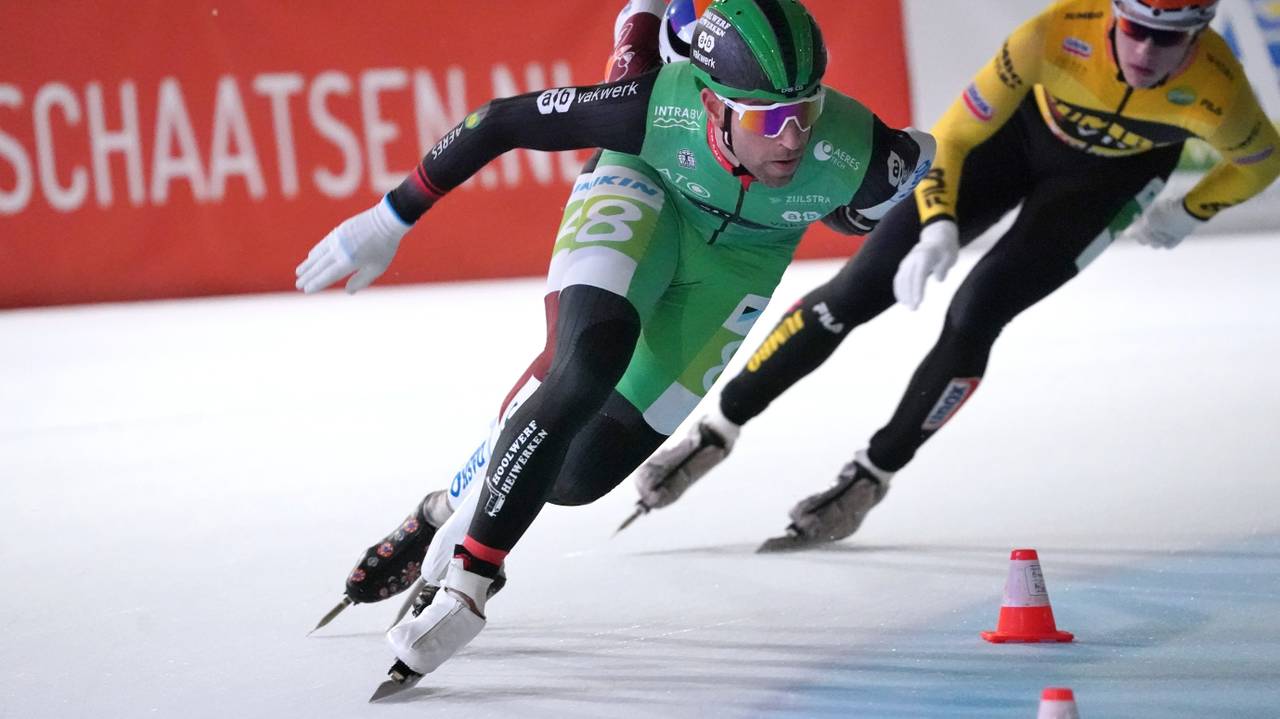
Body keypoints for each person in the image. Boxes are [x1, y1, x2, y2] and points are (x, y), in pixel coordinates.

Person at [295, 0, 935, 695]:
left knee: (578, 476)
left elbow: (848, 215)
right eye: (767, 119)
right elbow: (501, 121)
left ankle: (446, 508)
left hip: (738, 265)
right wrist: (391, 216)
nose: (792, 138)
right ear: (712, 104)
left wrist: (892, 200)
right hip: (643, 186)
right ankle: (468, 580)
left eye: (805, 112)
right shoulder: (653, 106)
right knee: (584, 367)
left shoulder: (866, 152)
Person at [628, 0, 1280, 552]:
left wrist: (1193, 209)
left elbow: (1263, 160)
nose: (1145, 52)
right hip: (1016, 141)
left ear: (1200, 35)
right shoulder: (1055, 33)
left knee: (979, 309)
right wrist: (938, 220)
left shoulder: (1219, 90)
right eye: (1136, 29)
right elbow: (954, 138)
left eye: (1169, 39)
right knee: (857, 289)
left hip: (1108, 183)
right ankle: (716, 430)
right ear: (1113, 15)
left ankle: (871, 475)